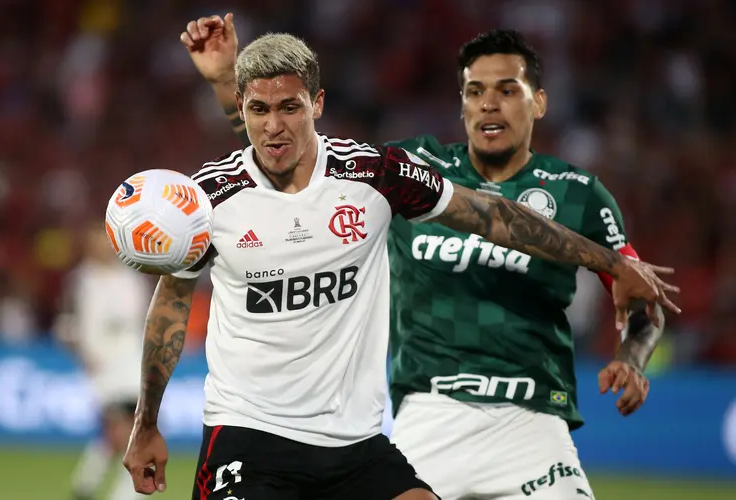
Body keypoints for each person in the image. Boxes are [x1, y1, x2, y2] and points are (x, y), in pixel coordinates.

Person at [124, 25, 675, 500]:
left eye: (291, 107)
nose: (274, 124)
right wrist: (145, 423)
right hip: (247, 434)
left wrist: (610, 262)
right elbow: (171, 305)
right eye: (258, 109)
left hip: (354, 445)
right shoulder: (207, 200)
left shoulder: (374, 177)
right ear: (243, 109)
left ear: (317, 104)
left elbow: (488, 214)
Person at [55, 222, 151, 500]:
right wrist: (80, 348)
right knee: (118, 430)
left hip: (132, 364)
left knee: (130, 429)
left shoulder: (131, 279)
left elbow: (143, 318)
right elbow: (66, 323)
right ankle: (113, 489)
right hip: (102, 366)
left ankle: (89, 484)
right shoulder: (81, 281)